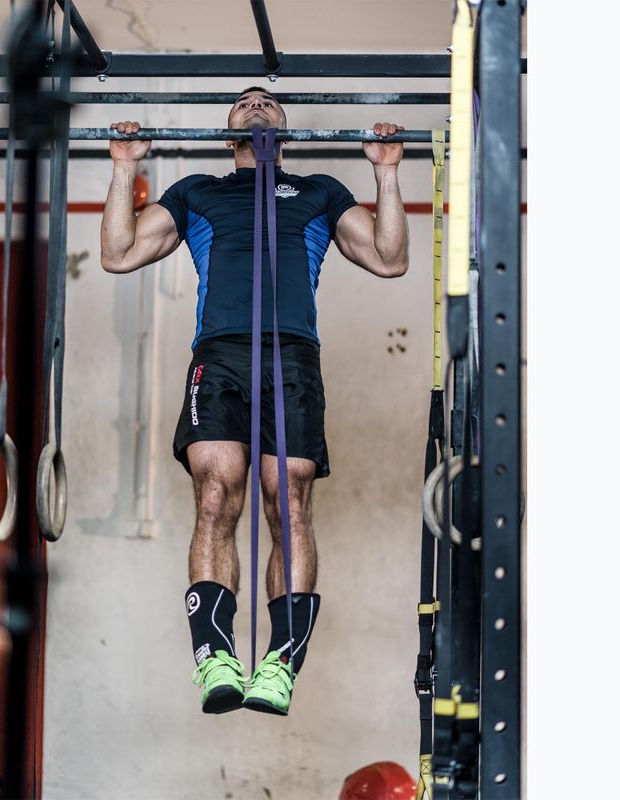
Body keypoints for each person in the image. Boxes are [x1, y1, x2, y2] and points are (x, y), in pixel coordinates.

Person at [101, 87, 409, 716]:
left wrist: (386, 173)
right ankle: (215, 658)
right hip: (219, 356)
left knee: (287, 498)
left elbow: (390, 258)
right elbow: (117, 253)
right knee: (217, 495)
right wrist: (125, 166)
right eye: (245, 101)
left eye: (269, 101)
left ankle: (280, 665)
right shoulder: (196, 192)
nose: (258, 105)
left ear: (285, 130)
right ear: (228, 131)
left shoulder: (320, 192)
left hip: (291, 357)